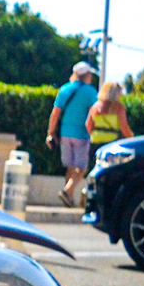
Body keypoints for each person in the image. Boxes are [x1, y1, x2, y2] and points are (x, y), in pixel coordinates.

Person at [49, 60, 100, 206]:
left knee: (70, 167)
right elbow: (93, 113)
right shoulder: (90, 92)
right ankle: (67, 190)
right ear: (87, 75)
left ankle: (69, 198)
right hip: (82, 134)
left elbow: (55, 113)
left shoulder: (65, 89)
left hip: (65, 132)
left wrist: (51, 132)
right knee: (81, 168)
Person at [87, 80, 132, 156]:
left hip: (95, 141)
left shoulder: (96, 105)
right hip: (111, 142)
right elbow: (124, 126)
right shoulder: (118, 107)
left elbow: (88, 125)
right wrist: (131, 138)